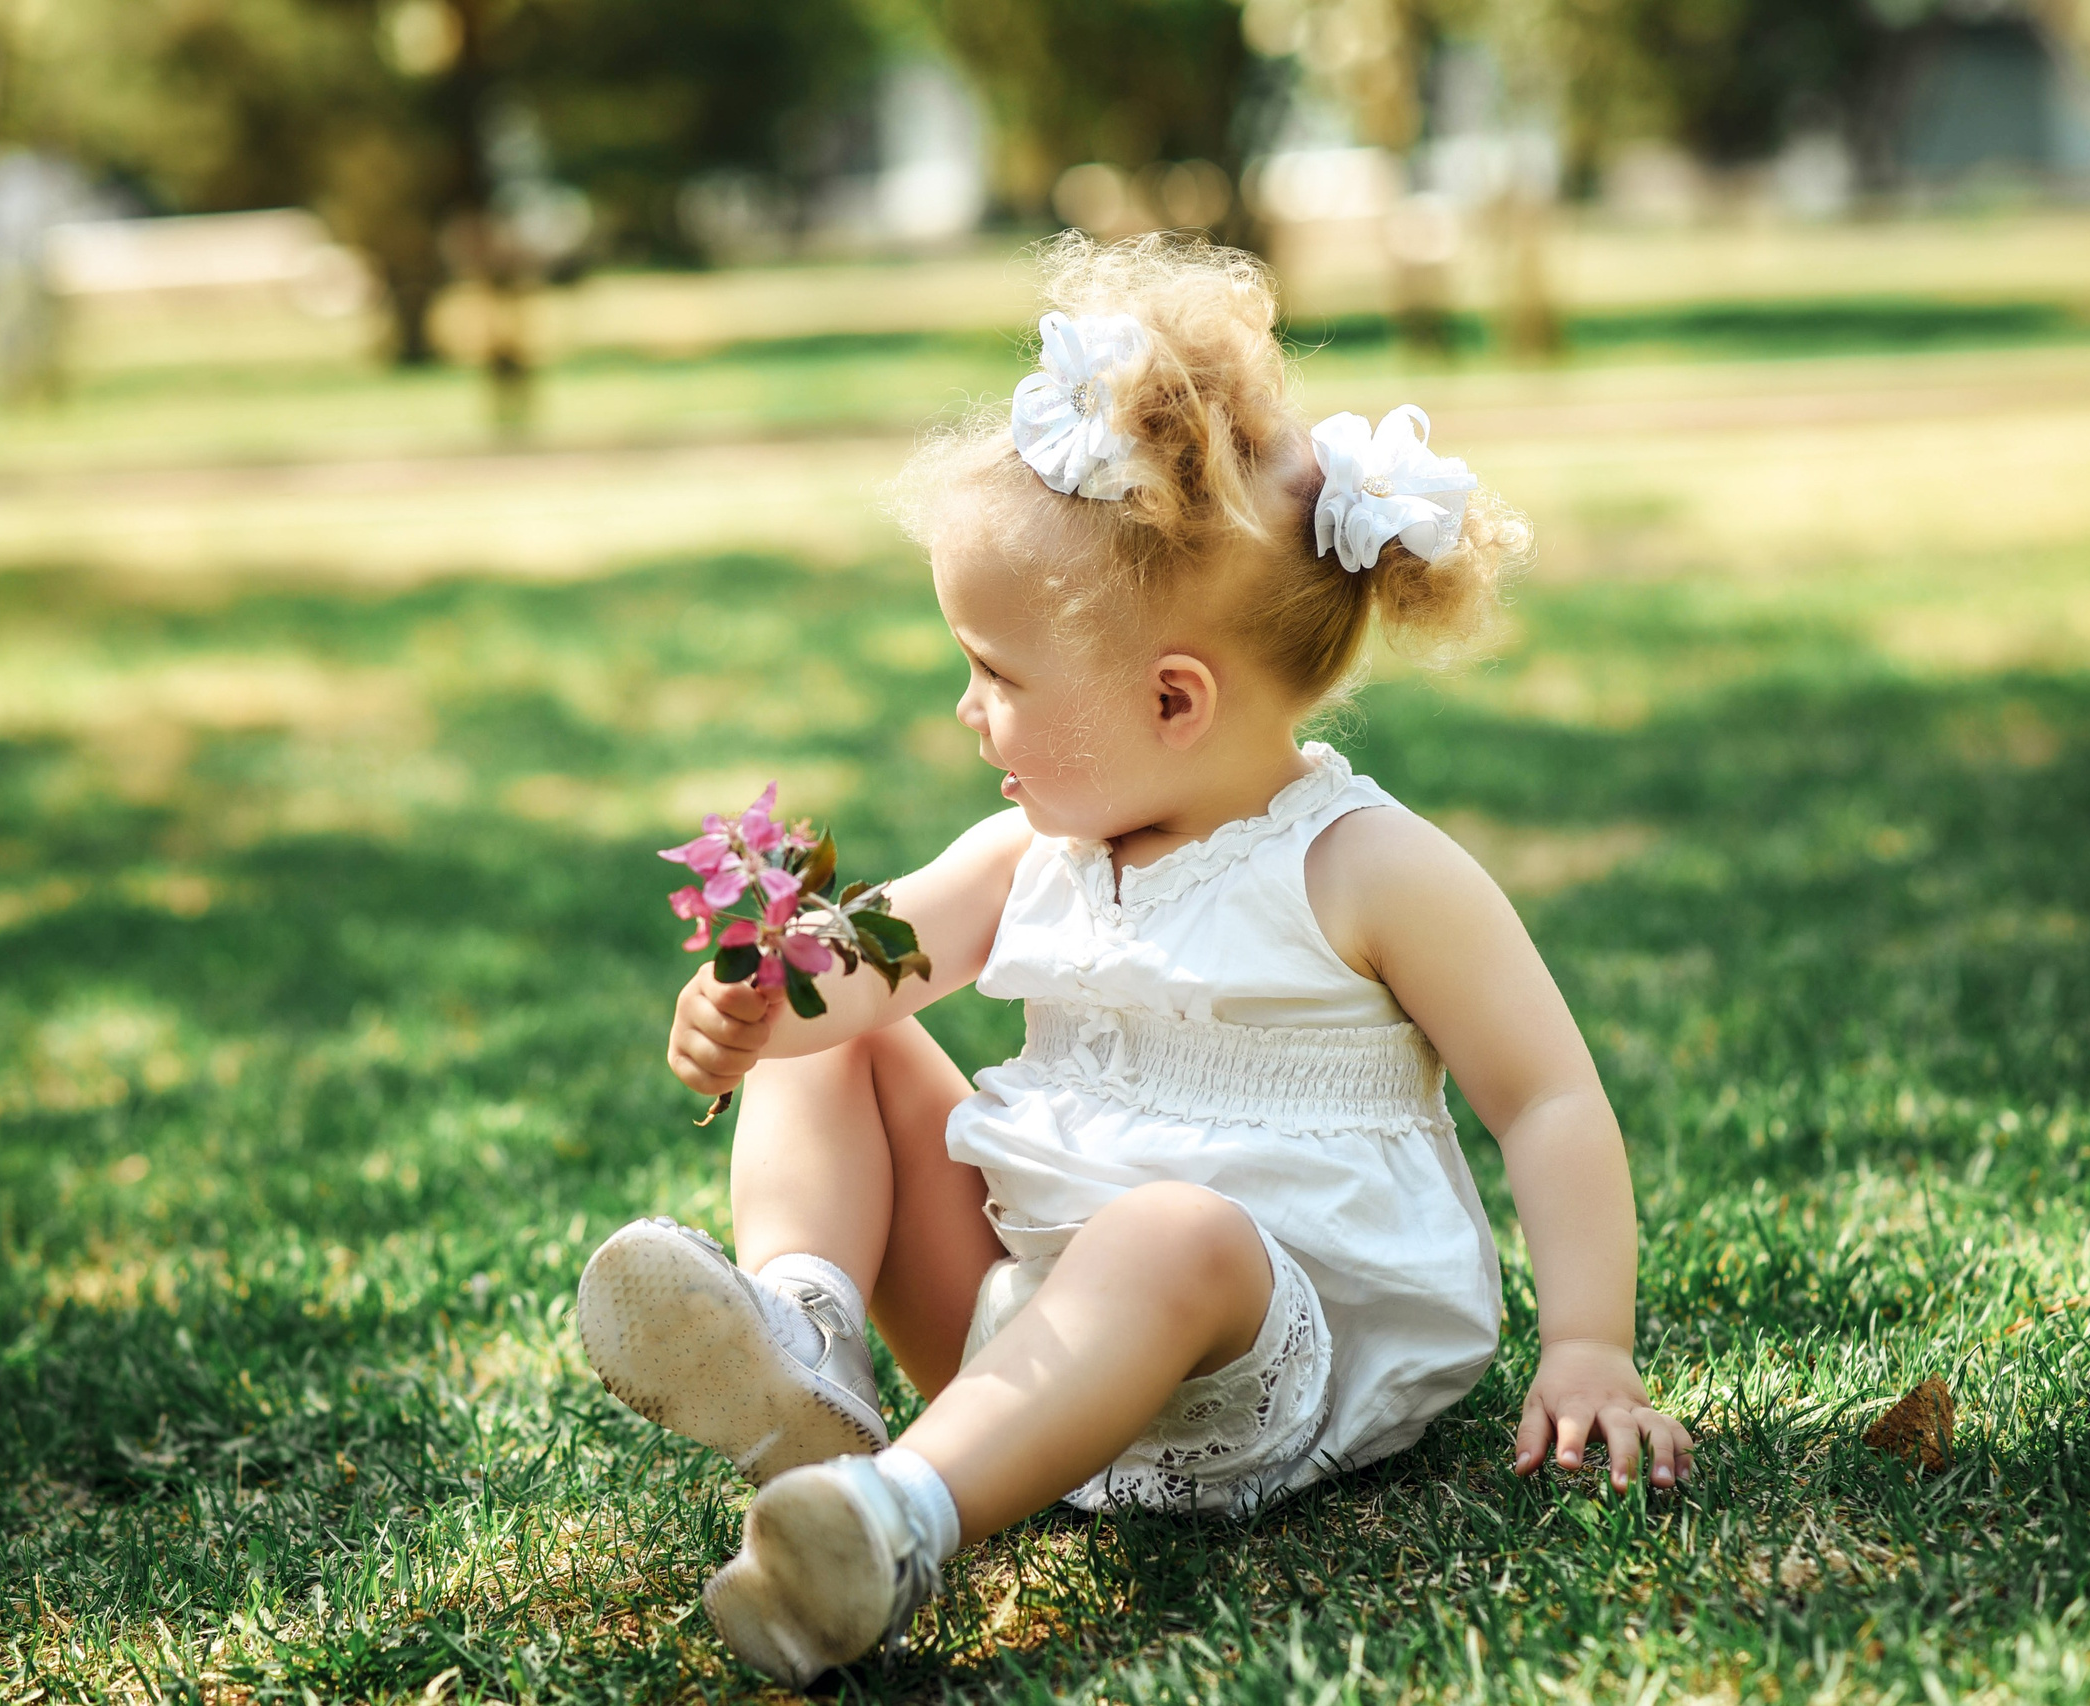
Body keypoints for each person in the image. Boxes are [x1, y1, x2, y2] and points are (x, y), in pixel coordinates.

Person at [575, 234, 1694, 1687]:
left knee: (1172, 1232)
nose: (967, 711)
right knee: (846, 1029)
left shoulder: (1363, 866)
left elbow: (1545, 1097)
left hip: (1259, 1351)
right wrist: (761, 1000)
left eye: (998, 675)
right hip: (1028, 1333)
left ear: (1174, 698)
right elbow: (861, 966)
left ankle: (901, 1520)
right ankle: (811, 1348)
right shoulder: (1025, 850)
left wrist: (1590, 1342)